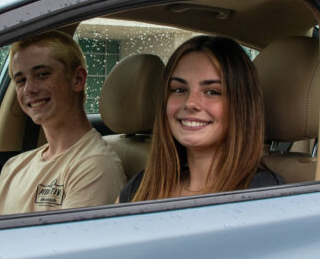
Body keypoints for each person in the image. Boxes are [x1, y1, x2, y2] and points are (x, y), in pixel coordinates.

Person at [118, 35, 282, 202]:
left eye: (212, 92)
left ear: (241, 107)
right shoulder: (143, 185)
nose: (190, 103)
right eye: (179, 89)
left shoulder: (261, 196)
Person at [0, 31, 125, 215]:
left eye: (42, 74)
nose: (29, 89)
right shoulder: (13, 166)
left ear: (78, 79)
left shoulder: (95, 166)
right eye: (21, 80)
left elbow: (70, 243)